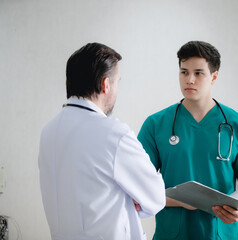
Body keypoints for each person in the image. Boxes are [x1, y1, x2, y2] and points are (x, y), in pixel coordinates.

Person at [137, 41, 238, 239]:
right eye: (184, 72)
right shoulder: (155, 125)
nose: (189, 79)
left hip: (220, 233)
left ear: (214, 76)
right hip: (171, 234)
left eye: (198, 73)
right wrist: (178, 200)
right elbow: (138, 184)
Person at [38, 42, 165, 240]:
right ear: (106, 84)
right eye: (117, 82)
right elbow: (156, 197)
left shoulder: (48, 132)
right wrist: (134, 198)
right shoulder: (113, 133)